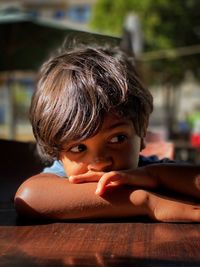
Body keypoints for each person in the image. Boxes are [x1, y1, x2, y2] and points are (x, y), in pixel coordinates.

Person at [14, 44, 200, 222]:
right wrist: (146, 201)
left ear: (142, 132)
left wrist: (155, 176)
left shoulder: (146, 170)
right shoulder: (60, 178)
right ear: (57, 153)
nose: (100, 162)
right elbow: (29, 196)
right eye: (79, 148)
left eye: (117, 138)